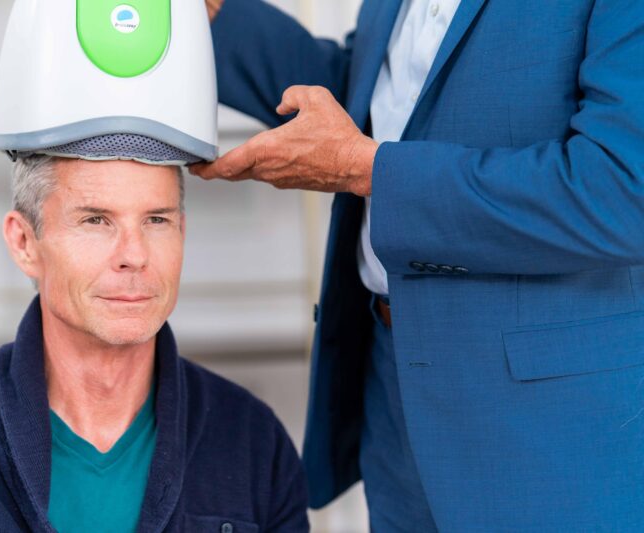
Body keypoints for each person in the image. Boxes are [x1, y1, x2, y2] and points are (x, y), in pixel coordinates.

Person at [195, 0, 644, 530]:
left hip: (549, 425)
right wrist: (218, 20)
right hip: (391, 384)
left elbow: (620, 189)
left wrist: (366, 169)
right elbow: (380, 97)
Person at [0, 156, 309, 532]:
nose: (134, 255)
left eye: (156, 220)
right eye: (96, 220)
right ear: (24, 242)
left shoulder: (251, 441)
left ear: (182, 233)